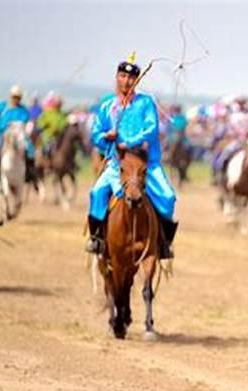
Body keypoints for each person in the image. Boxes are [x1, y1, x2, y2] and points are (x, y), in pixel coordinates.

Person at [85, 52, 178, 260]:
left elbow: (152, 129)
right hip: (116, 164)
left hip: (147, 164)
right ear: (117, 78)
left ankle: (164, 244)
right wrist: (106, 137)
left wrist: (130, 142)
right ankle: (97, 238)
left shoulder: (146, 103)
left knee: (168, 197)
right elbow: (96, 134)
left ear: (136, 80)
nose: (126, 81)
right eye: (122, 76)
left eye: (130, 78)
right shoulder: (107, 106)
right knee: (97, 193)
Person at [0, 85, 37, 183]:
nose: (16, 99)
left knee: (30, 150)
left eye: (18, 97)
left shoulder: (23, 110)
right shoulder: (3, 106)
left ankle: (30, 174)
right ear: (11, 96)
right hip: (3, 134)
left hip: (19, 135)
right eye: (14, 97)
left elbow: (28, 122)